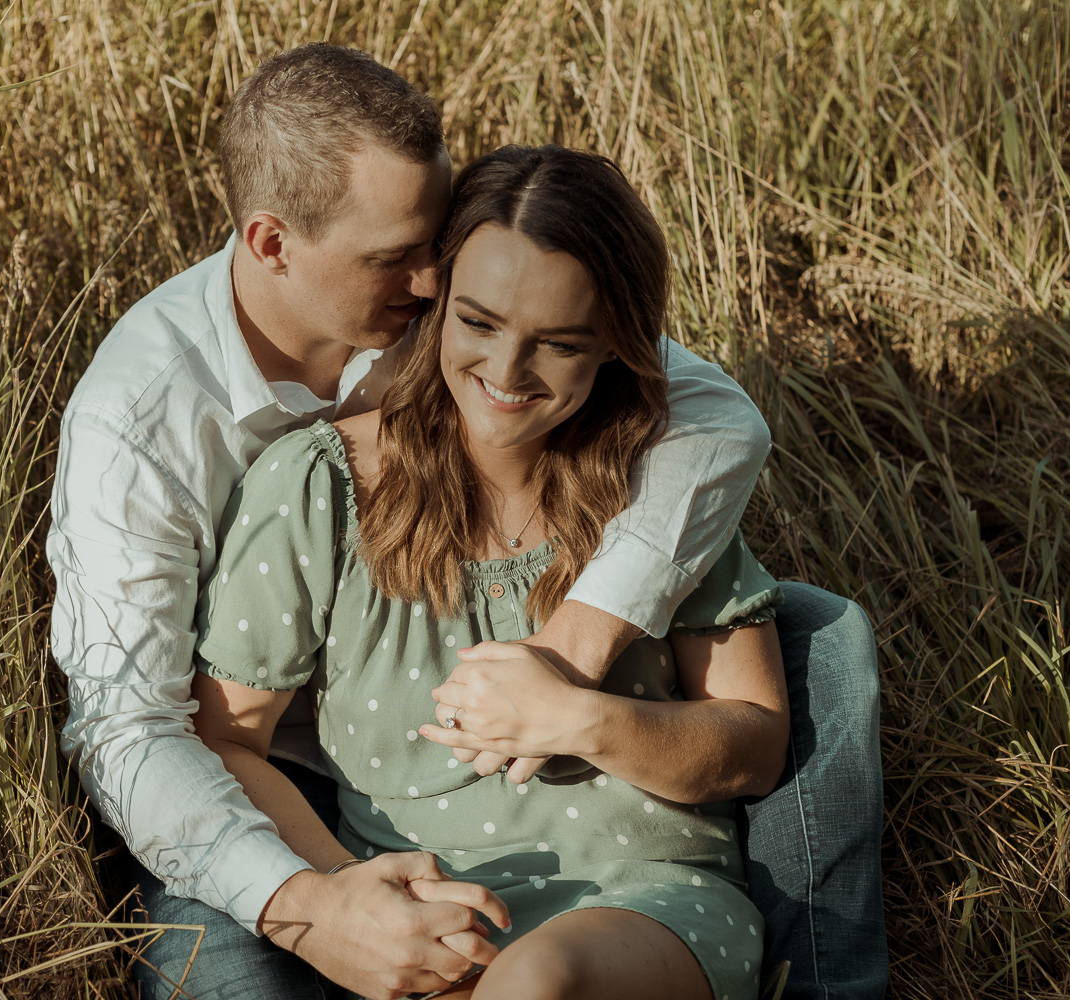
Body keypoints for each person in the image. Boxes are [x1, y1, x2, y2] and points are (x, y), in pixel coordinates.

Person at [46, 43, 886, 1000]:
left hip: (591, 807)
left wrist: (570, 667)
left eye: (435, 250)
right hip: (285, 783)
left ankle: (816, 977)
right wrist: (320, 904)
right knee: (228, 966)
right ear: (273, 244)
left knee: (821, 639)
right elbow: (137, 730)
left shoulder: (475, 312)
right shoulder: (147, 420)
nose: (430, 287)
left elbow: (720, 417)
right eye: (400, 262)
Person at [191, 143, 790, 1000]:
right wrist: (346, 894)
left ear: (615, 343)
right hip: (426, 922)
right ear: (436, 300)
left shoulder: (666, 490)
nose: (505, 375)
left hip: (643, 907)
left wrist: (584, 720)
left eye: (558, 343)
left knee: (539, 981)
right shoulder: (318, 487)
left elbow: (755, 747)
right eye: (478, 323)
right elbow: (229, 738)